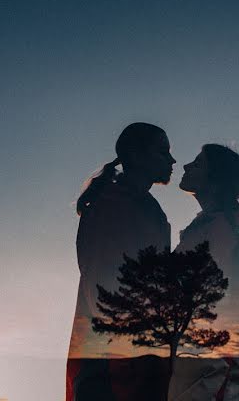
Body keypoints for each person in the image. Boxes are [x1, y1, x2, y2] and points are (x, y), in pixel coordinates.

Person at [66, 122, 176, 401]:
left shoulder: (144, 204)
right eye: (163, 152)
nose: (172, 160)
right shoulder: (113, 204)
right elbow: (104, 283)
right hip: (114, 359)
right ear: (137, 156)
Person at [169, 144, 239, 401]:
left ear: (215, 181)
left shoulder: (222, 229)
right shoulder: (212, 226)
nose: (187, 166)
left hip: (212, 360)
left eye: (197, 163)